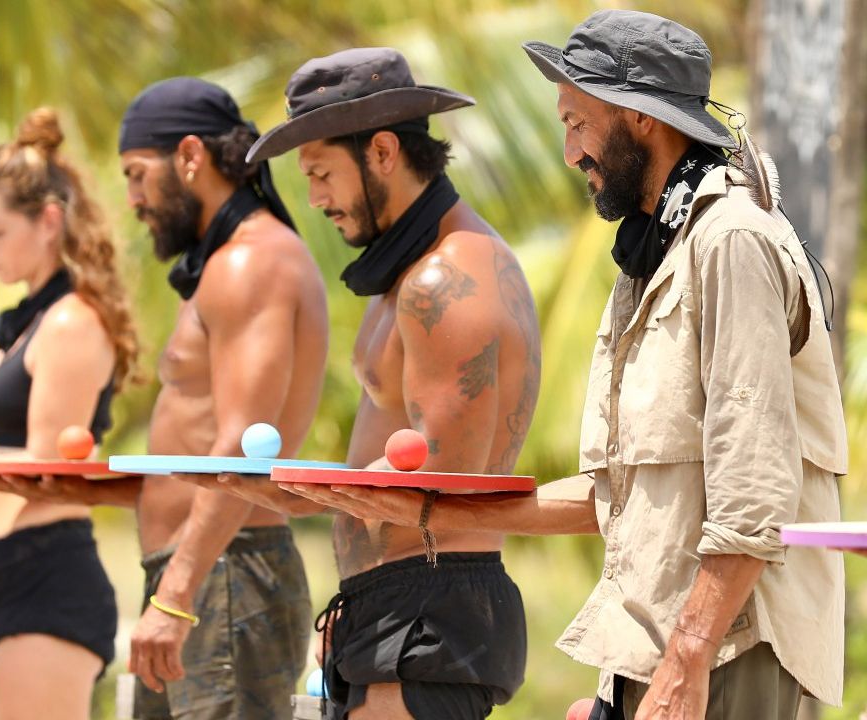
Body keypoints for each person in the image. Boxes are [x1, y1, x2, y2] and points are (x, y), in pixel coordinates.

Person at [295, 14, 849, 720]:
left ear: (640, 117)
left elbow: (754, 489)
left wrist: (688, 657)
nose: (568, 152)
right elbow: (617, 497)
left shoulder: (730, 240)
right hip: (658, 646)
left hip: (724, 651)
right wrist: (432, 507)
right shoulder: (658, 251)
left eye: (577, 123)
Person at [198, 47, 541, 719]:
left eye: (321, 173)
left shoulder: (443, 279)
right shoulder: (414, 271)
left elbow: (440, 482)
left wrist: (297, 491)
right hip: (396, 605)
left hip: (427, 612)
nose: (314, 198)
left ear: (383, 152)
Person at [109, 77, 330, 719]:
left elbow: (244, 443)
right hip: (204, 574)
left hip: (222, 578)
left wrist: (177, 593)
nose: (132, 199)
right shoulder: (226, 262)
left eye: (137, 175)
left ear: (188, 157)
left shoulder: (249, 262)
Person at [0, 108, 138, 720]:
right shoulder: (29, 323)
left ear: (48, 221)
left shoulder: (70, 322)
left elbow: (42, 474)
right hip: (2, 579)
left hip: (45, 580)